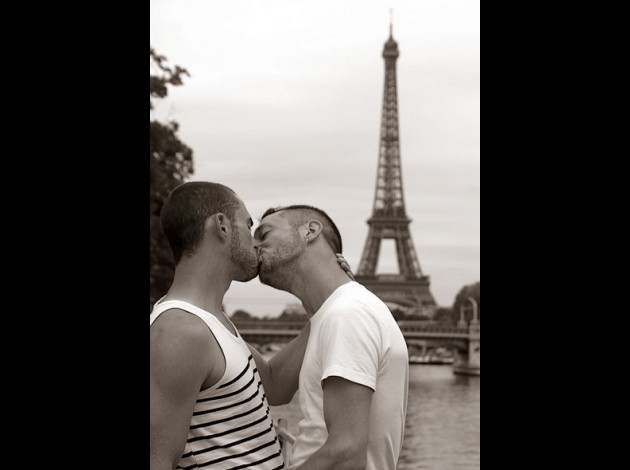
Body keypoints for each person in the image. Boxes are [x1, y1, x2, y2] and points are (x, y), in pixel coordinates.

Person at [150, 182, 352, 470]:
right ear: (222, 226)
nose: (256, 243)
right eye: (248, 225)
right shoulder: (179, 331)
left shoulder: (211, 323)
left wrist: (327, 300)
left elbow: (276, 385)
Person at [254, 204, 409, 470]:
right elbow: (275, 386)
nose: (254, 246)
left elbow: (346, 454)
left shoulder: (347, 314)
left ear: (310, 231)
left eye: (264, 234)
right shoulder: (334, 313)